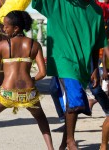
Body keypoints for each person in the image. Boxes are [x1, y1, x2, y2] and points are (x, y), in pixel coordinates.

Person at [0, 10, 54, 150]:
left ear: (16, 28)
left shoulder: (3, 45)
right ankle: (51, 148)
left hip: (7, 94)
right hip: (29, 94)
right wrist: (31, 80)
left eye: (6, 26)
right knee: (41, 118)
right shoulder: (34, 45)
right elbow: (43, 72)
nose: (4, 29)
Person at [32, 0, 108, 150]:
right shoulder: (58, 3)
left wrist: (94, 70)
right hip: (63, 60)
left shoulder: (97, 12)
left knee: (72, 103)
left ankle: (63, 143)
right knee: (75, 99)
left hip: (83, 65)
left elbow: (96, 45)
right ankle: (71, 142)